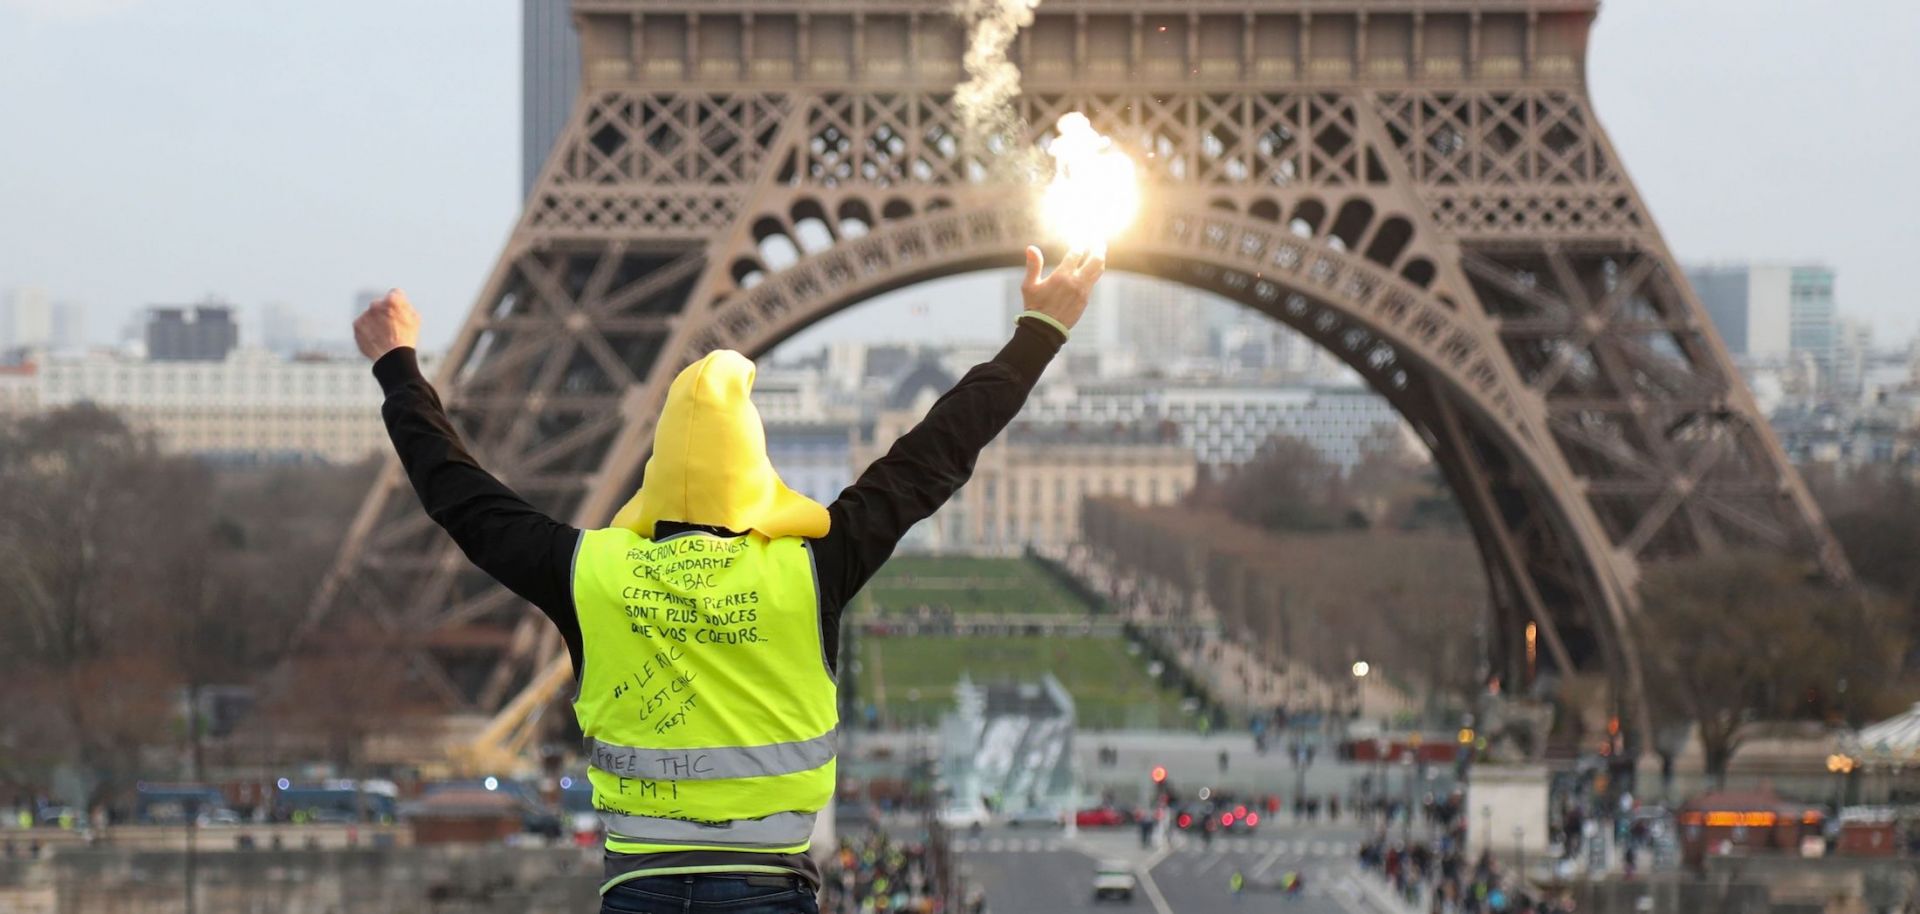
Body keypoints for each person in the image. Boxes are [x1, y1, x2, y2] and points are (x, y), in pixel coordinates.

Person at [353, 246, 1106, 913]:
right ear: (755, 471)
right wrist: (1039, 333)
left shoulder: (593, 574)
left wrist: (399, 367)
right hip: (766, 884)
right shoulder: (807, 571)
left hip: (638, 885)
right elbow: (935, 453)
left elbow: (461, 497)